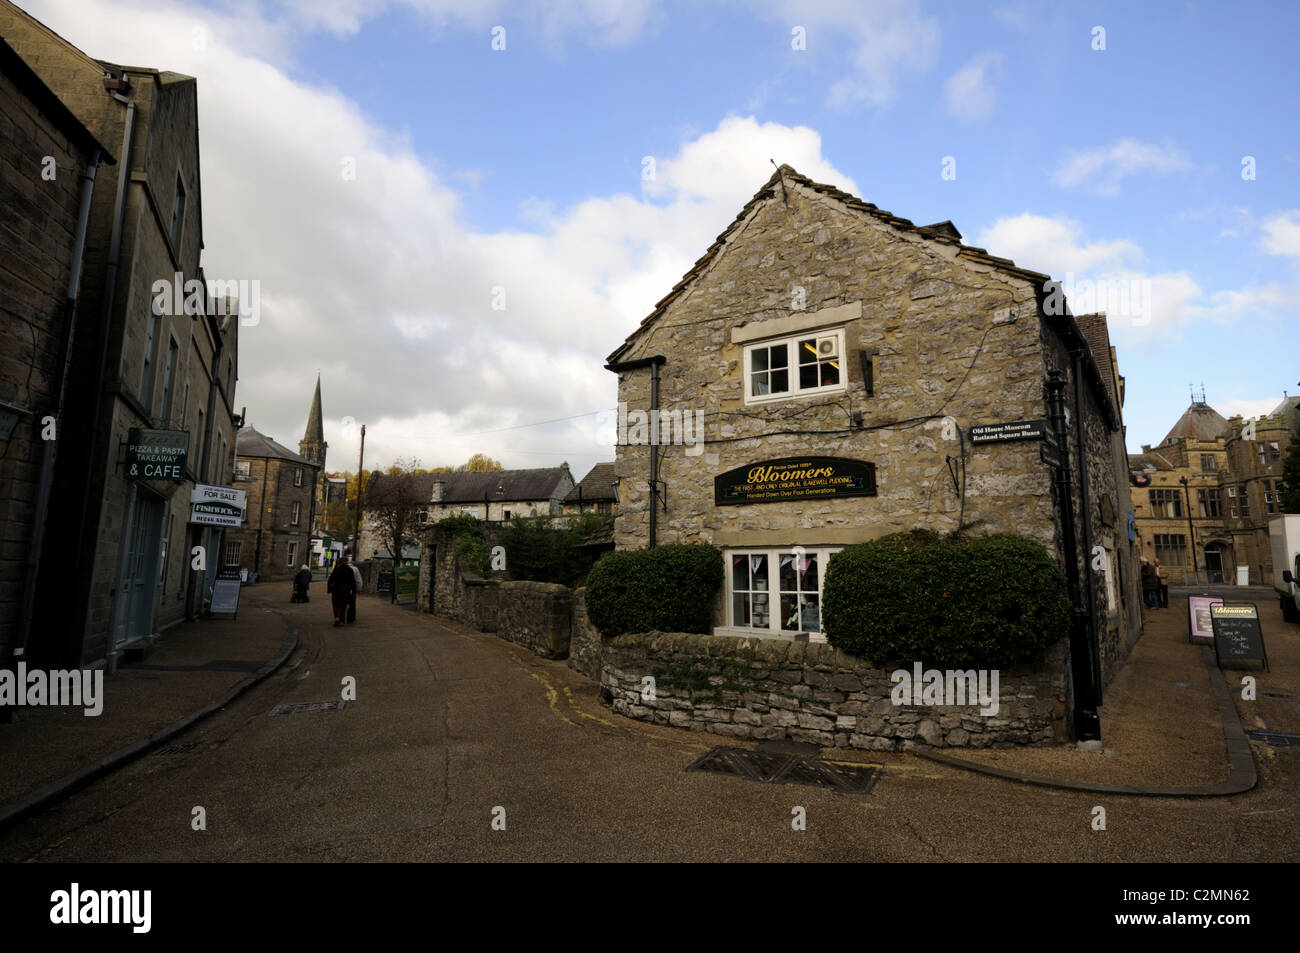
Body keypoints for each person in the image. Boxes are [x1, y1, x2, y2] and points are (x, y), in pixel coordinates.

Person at [327, 554, 356, 627]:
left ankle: (336, 618)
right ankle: (342, 620)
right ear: (347, 561)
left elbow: (330, 580)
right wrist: (354, 591)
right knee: (343, 605)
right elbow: (353, 581)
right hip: (346, 590)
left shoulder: (336, 569)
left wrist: (329, 589)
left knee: (336, 605)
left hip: (336, 589)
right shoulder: (350, 570)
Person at [348, 553, 362, 624]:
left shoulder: (339, 568)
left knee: (342, 604)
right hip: (352, 589)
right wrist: (359, 589)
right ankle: (351, 618)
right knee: (352, 604)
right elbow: (358, 580)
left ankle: (340, 618)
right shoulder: (355, 569)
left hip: (342, 589)